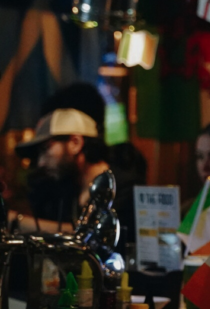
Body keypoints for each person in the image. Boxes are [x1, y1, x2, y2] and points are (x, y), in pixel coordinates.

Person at [13, 83, 141, 238]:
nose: (41, 163)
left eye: (46, 149)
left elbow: (95, 237)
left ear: (75, 143)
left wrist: (15, 221)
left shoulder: (122, 188)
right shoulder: (64, 188)